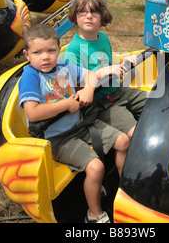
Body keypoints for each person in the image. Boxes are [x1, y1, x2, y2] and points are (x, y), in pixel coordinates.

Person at [18, 24, 129, 223]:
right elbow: (32, 113)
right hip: (57, 139)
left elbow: (89, 75)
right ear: (27, 54)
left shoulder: (62, 66)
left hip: (79, 125)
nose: (45, 57)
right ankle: (94, 214)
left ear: (58, 50)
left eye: (51, 50)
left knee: (123, 141)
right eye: (37, 52)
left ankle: (125, 190)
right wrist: (65, 104)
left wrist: (88, 89)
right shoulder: (31, 76)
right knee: (95, 168)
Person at [65, 0, 147, 138]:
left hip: (119, 90)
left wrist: (123, 63)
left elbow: (108, 66)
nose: (89, 16)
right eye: (82, 11)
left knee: (156, 104)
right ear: (75, 16)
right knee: (137, 133)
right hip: (102, 103)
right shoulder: (74, 50)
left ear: (103, 16)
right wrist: (103, 72)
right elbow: (78, 88)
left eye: (94, 12)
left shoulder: (103, 38)